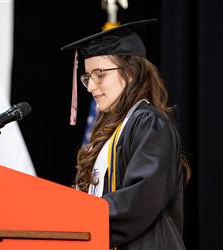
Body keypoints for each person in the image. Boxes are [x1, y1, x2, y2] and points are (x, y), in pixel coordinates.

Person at [61, 19, 190, 250]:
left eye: (100, 74)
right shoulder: (109, 132)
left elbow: (139, 199)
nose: (90, 86)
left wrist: (79, 217)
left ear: (130, 73)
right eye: (87, 77)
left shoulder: (149, 124)